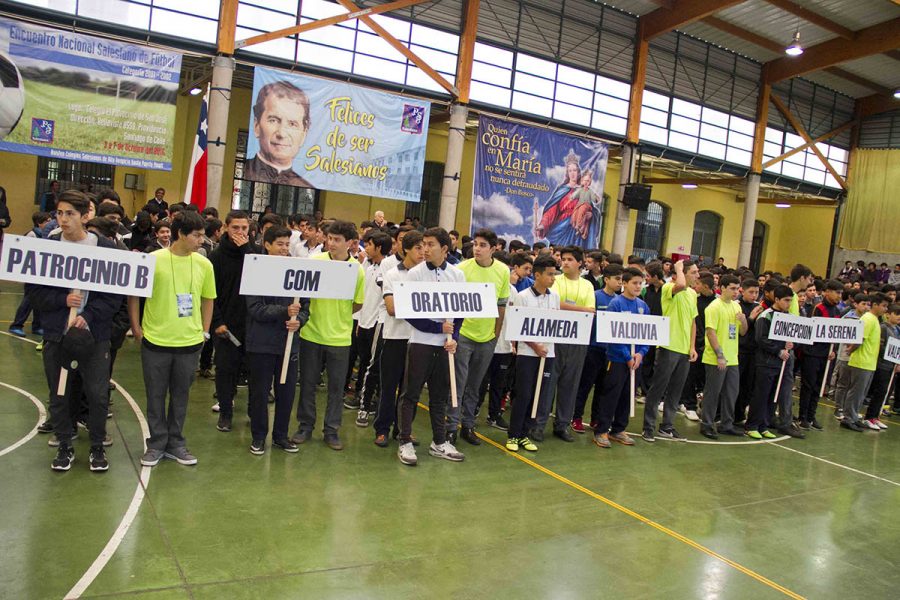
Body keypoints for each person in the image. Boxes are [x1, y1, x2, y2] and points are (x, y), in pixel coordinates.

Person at [26, 191, 123, 471]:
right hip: (58, 335)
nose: (63, 219)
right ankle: (65, 445)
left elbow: (113, 295)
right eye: (59, 213)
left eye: (70, 213)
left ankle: (96, 447)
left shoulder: (105, 249)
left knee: (96, 394)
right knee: (60, 393)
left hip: (94, 337)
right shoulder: (48, 247)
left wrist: (89, 316)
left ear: (85, 216)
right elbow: (34, 292)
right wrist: (62, 301)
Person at [128, 211, 216, 467]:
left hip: (189, 343)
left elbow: (208, 299)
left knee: (180, 396)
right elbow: (134, 296)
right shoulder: (153, 260)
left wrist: (205, 331)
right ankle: (156, 444)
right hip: (155, 341)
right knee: (155, 395)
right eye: (197, 235)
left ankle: (176, 443)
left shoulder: (204, 264)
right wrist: (136, 328)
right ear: (181, 234)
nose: (202, 240)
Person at [291, 221, 365, 450]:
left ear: (350, 243)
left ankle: (331, 430)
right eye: (329, 238)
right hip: (311, 334)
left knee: (336, 388)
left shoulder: (357, 270)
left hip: (340, 339)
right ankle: (305, 425)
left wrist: (339, 317)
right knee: (308, 384)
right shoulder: (314, 262)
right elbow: (303, 295)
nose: (331, 243)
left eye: (337, 240)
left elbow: (357, 304)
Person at [396, 227, 465, 466]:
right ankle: (404, 441)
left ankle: (439, 441)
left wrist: (453, 335)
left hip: (445, 347)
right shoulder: (414, 274)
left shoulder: (457, 275)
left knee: (439, 396)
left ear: (445, 249)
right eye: (423, 244)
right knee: (411, 393)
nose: (425, 249)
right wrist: (437, 329)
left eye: (430, 244)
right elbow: (408, 312)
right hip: (420, 343)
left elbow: (460, 311)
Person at [245, 226, 309, 455]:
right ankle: (259, 437)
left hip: (288, 343)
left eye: (287, 244)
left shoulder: (297, 270)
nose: (284, 249)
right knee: (260, 393)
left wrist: (299, 320)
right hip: (261, 343)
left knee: (287, 392)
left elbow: (305, 307)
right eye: (280, 244)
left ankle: (281, 436)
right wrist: (285, 311)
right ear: (268, 245)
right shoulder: (256, 269)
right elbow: (255, 309)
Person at [448, 228, 510, 446]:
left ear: (494, 249)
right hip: (463, 334)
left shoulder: (503, 271)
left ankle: (468, 424)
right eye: (476, 244)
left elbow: (501, 305)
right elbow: (451, 303)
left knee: (476, 385)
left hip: (486, 337)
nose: (477, 249)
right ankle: (451, 426)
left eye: (483, 245)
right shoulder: (461, 269)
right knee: (459, 382)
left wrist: (496, 333)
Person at [541, 245, 595, 442]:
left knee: (569, 385)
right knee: (548, 384)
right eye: (563, 259)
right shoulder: (555, 281)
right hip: (554, 338)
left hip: (578, 341)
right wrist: (579, 309)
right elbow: (553, 304)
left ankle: (562, 425)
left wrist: (569, 308)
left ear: (580, 263)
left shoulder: (587, 285)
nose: (565, 262)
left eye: (570, 259)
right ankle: (539, 424)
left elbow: (591, 310)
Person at [375, 230, 424, 447]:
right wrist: (421, 308)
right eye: (418, 248)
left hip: (419, 339)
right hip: (395, 337)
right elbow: (392, 308)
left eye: (425, 247)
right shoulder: (393, 275)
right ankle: (382, 429)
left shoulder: (427, 276)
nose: (423, 252)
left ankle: (404, 430)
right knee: (389, 387)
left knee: (411, 390)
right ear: (406, 250)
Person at [506, 255, 560, 453]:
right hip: (527, 354)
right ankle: (513, 434)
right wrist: (535, 346)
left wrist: (545, 348)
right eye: (550, 274)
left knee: (539, 395)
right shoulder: (523, 297)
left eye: (554, 274)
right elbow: (517, 327)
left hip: (548, 355)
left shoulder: (554, 297)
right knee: (524, 394)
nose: (553, 278)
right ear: (537, 275)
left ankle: (524, 435)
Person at [592, 267, 649, 448]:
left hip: (635, 361)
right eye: (634, 283)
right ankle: (601, 430)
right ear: (624, 283)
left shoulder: (643, 306)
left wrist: (641, 353)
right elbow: (612, 334)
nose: (638, 286)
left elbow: (648, 334)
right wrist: (626, 356)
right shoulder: (616, 304)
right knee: (611, 395)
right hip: (616, 359)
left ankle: (619, 429)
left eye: (641, 283)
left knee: (627, 395)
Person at [642, 259, 699, 442]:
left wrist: (691, 347)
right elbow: (680, 283)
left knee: (676, 390)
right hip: (668, 347)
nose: (697, 276)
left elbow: (692, 322)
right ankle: (648, 427)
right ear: (681, 272)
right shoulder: (669, 288)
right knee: (658, 389)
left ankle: (667, 426)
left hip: (683, 350)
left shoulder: (692, 294)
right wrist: (679, 267)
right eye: (694, 272)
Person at [208, 210, 255, 432]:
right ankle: (226, 412)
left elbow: (259, 278)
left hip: (252, 324)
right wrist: (216, 321)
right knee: (225, 370)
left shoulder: (254, 253)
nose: (240, 232)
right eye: (235, 227)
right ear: (226, 228)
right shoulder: (216, 257)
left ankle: (253, 412)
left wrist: (246, 250)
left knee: (252, 371)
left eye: (244, 228)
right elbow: (210, 294)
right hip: (225, 324)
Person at [573, 263, 622, 433]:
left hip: (609, 350)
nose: (619, 282)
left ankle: (596, 418)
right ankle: (576, 417)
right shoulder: (594, 296)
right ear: (606, 279)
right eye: (616, 279)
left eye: (621, 279)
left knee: (602, 386)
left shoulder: (619, 300)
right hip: (593, 348)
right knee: (585, 385)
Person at [699, 274, 747, 439]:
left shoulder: (737, 307)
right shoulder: (714, 307)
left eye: (737, 289)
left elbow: (742, 332)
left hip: (733, 358)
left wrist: (744, 320)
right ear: (723, 288)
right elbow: (710, 332)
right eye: (732, 289)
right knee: (713, 393)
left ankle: (727, 423)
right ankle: (706, 424)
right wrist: (719, 355)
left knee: (731, 393)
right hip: (716, 358)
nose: (736, 292)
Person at [352, 229, 393, 427]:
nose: (365, 248)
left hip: (378, 323)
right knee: (365, 363)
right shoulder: (366, 266)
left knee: (376, 366)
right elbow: (364, 296)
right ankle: (361, 397)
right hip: (364, 321)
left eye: (369, 245)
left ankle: (368, 404)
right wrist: (359, 320)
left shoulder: (388, 268)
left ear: (379, 248)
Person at [745, 285, 794, 440]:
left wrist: (790, 345)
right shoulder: (766, 316)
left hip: (780, 364)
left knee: (773, 395)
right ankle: (752, 425)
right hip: (765, 362)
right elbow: (760, 339)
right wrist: (777, 350)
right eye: (786, 300)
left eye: (791, 301)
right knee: (761, 394)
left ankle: (764, 425)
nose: (789, 304)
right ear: (777, 299)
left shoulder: (788, 317)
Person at [245, 81, 314, 187]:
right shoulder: (243, 171)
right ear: (256, 125)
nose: (281, 133)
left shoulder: (306, 187)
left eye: (292, 124)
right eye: (273, 120)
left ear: (304, 134)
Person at [797, 279, 842, 429]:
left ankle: (811, 416)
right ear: (827, 292)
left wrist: (833, 350)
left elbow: (835, 334)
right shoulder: (818, 308)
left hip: (826, 355)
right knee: (808, 385)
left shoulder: (837, 311)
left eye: (841, 293)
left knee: (818, 387)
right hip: (812, 353)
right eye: (837, 293)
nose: (839, 296)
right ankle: (803, 416)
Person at [533, 150, 600, 248]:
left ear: (578, 172)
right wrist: (543, 224)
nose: (572, 173)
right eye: (570, 171)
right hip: (562, 228)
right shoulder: (562, 190)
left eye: (575, 170)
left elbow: (591, 209)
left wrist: (591, 215)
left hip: (578, 229)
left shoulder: (584, 191)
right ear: (567, 173)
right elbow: (552, 211)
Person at [843, 293, 889, 431]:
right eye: (884, 306)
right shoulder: (868, 319)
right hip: (861, 361)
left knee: (861, 393)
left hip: (869, 362)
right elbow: (860, 339)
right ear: (874, 305)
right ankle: (848, 418)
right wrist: (851, 350)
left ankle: (854, 417)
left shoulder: (875, 319)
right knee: (856, 392)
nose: (885, 309)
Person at [833, 294, 870, 426]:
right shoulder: (848, 317)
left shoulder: (867, 319)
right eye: (863, 304)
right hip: (845, 354)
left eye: (868, 304)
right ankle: (839, 408)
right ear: (855, 304)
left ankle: (848, 409)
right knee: (843, 383)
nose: (866, 307)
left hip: (857, 356)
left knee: (852, 385)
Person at [863, 303, 900, 428]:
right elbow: (881, 346)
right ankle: (869, 417)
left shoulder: (897, 329)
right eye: (897, 314)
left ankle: (876, 416)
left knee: (885, 393)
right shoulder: (883, 328)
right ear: (888, 315)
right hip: (882, 365)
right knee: (879, 391)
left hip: (891, 365)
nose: (899, 317)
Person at [735, 279, 763, 426]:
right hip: (740, 350)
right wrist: (751, 317)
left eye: (757, 292)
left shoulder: (759, 307)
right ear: (743, 291)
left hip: (753, 351)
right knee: (736, 384)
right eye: (751, 292)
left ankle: (739, 414)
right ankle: (726, 413)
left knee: (748, 385)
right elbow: (741, 331)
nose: (754, 295)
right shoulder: (737, 306)